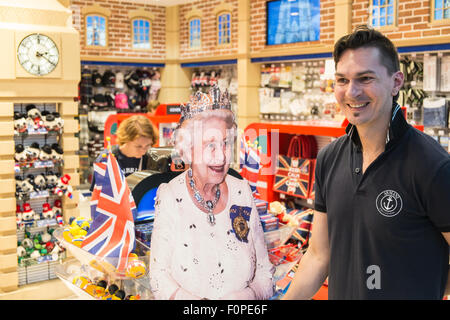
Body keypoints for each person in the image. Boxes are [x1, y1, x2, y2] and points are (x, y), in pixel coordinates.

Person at [283, 25, 450, 300]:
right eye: (342, 80)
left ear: (397, 82)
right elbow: (318, 255)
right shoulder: (329, 158)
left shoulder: (432, 166)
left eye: (365, 78)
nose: (352, 92)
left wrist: (424, 283)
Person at [149, 86, 274, 300]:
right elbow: (159, 277)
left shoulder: (241, 191)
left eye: (225, 144)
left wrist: (247, 297)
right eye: (210, 145)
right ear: (189, 150)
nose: (221, 156)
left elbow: (265, 270)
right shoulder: (170, 196)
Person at [90, 115, 155, 190]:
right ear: (126, 139)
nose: (143, 151)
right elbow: (97, 195)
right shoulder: (106, 159)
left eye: (147, 145)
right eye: (138, 146)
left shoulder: (150, 158)